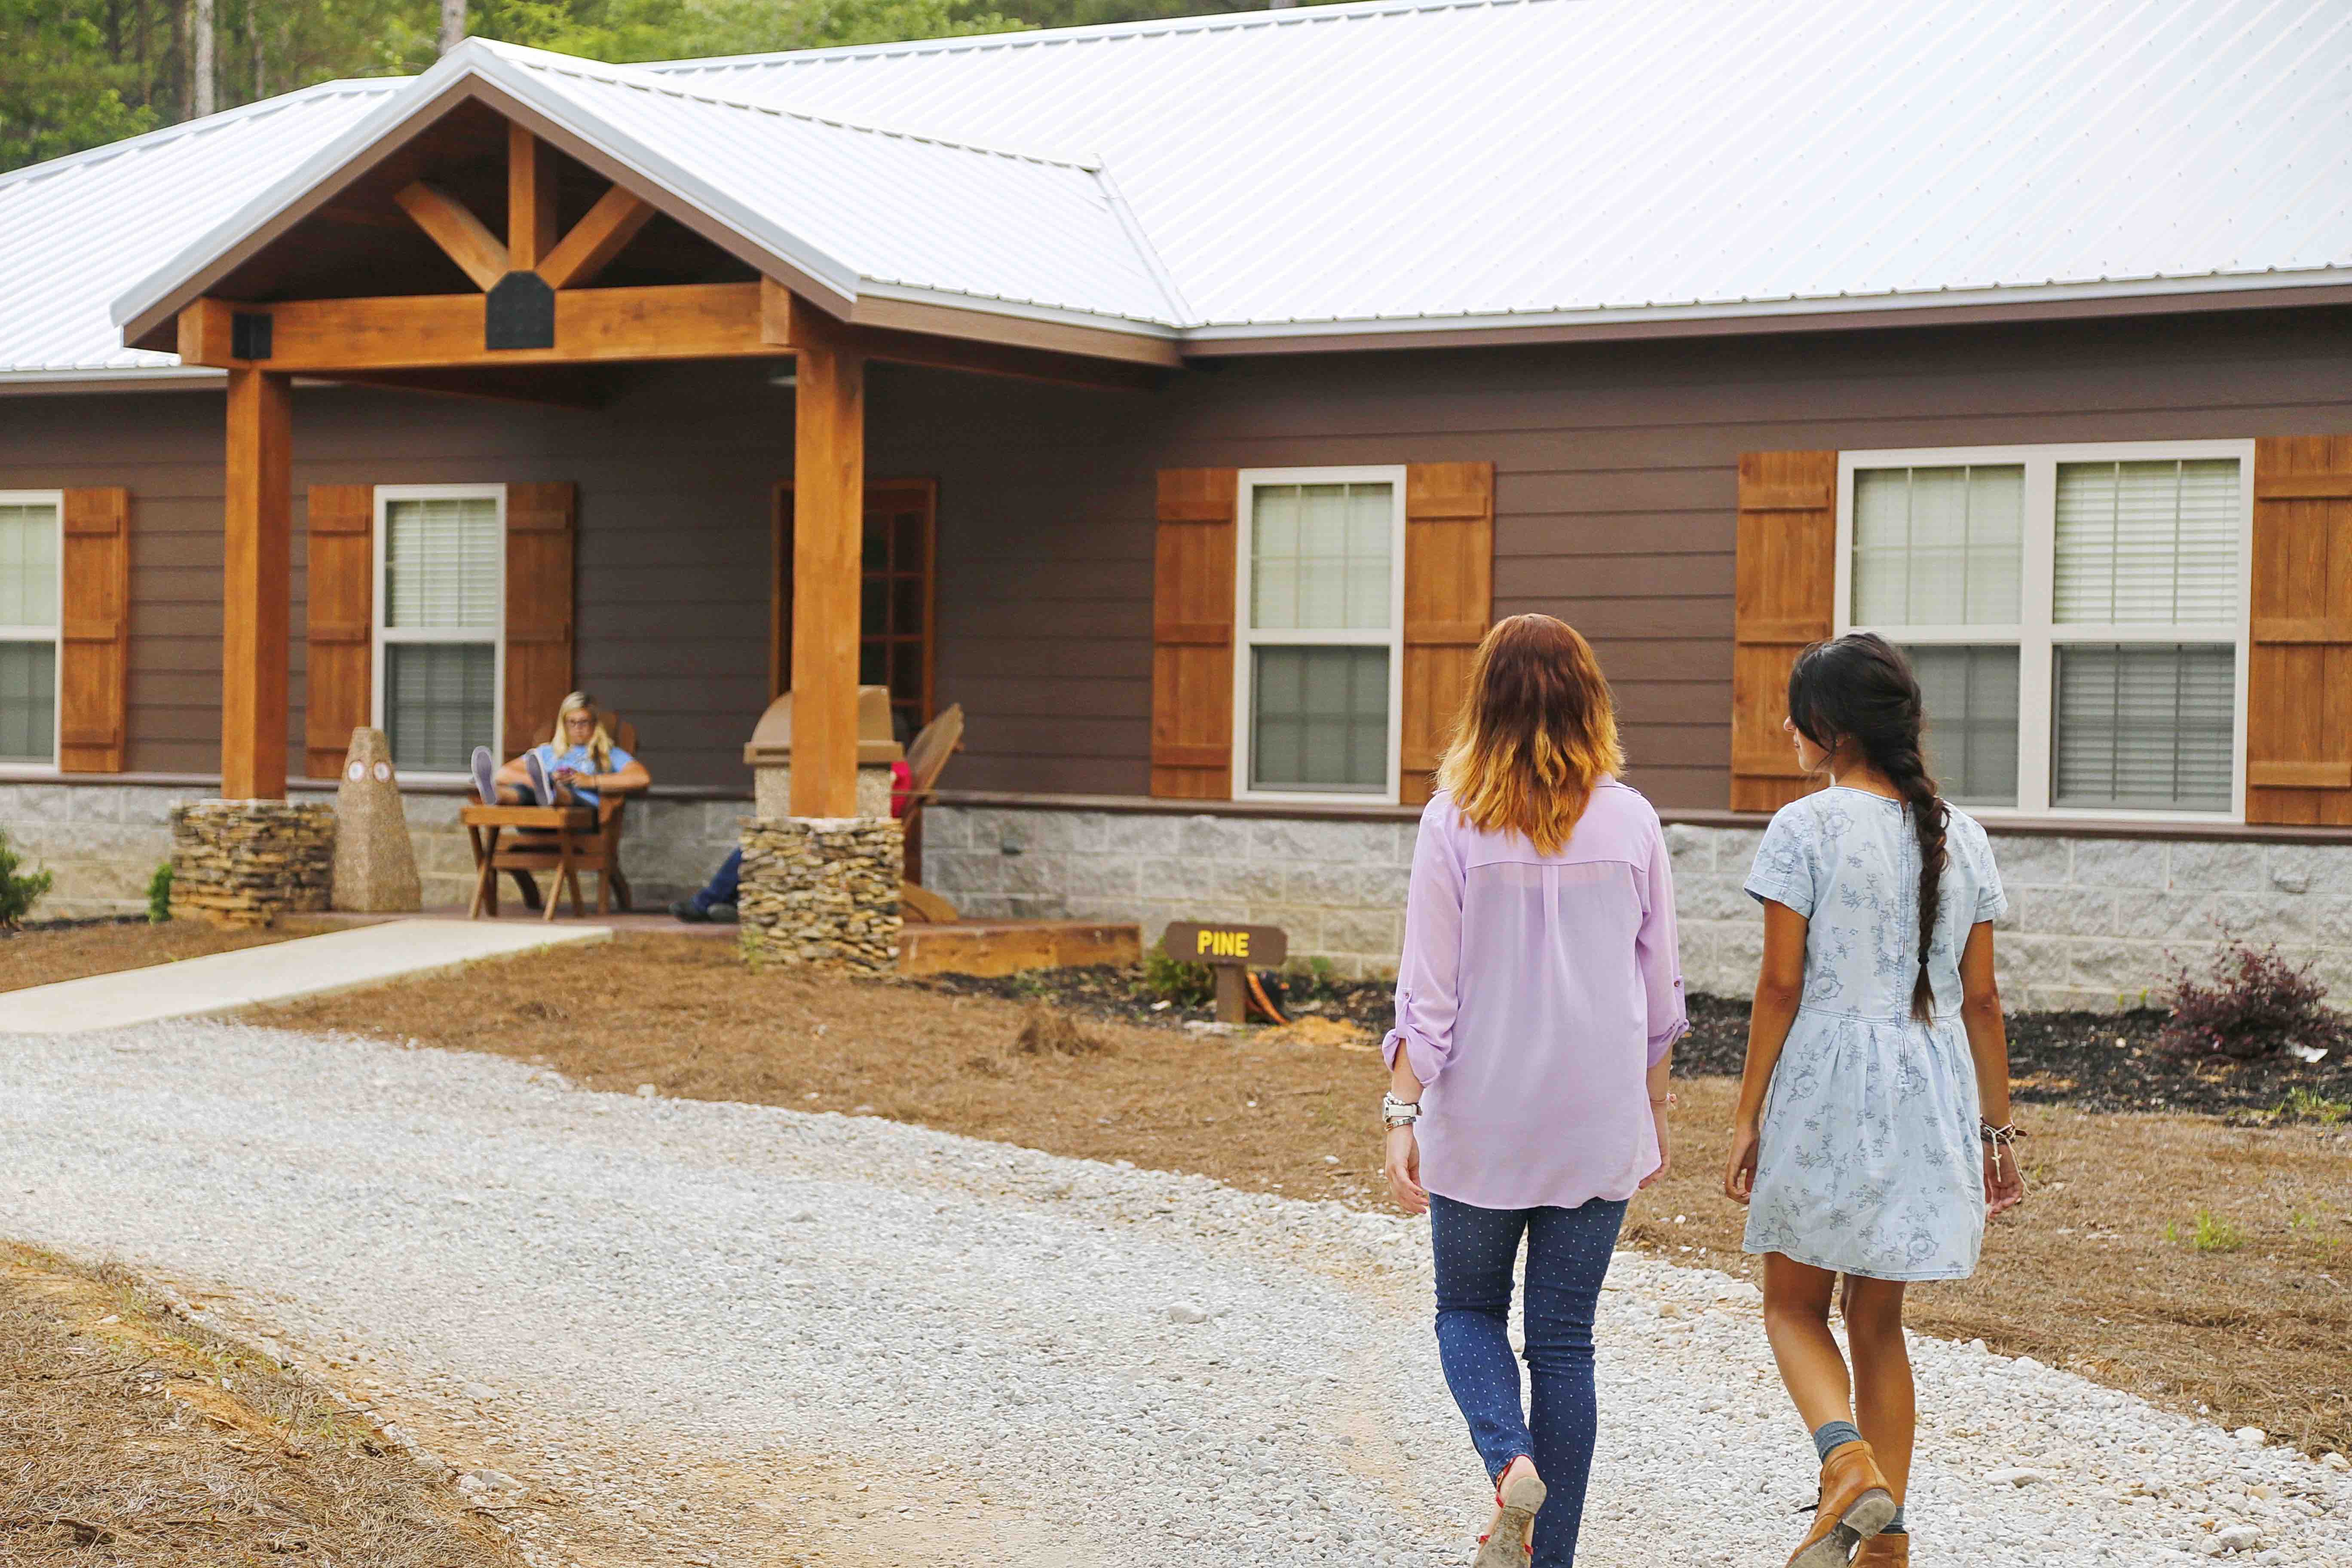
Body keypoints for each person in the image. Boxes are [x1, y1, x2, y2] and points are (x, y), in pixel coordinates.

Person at [1381, 614, 1685, 1568]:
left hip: (1482, 1117)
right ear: (1592, 700)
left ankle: (1508, 1461)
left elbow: (1427, 996)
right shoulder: (1634, 820)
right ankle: (1547, 1559)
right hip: (1597, 1120)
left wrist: (1401, 1113)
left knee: (1467, 1312)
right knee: (1565, 1344)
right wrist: (1655, 1112)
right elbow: (1662, 996)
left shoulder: (1451, 821)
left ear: (1485, 702)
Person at [1721, 633, 2025, 1568]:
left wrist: (1747, 1115)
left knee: (1790, 1305)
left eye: (1795, 714)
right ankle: (1885, 1543)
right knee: (1878, 1320)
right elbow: (1981, 1001)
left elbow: (1779, 989)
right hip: (1927, 1086)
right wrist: (1998, 1131)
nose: (1785, 729)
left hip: (1828, 1083)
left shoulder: (1804, 827)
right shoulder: (1961, 833)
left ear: (1831, 729)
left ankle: (1846, 1465)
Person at [470, 692, 649, 811]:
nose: (578, 728)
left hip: (581, 813)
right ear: (563, 724)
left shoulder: (607, 753)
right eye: (572, 722)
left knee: (556, 792)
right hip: (540, 816)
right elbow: (504, 773)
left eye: (584, 722)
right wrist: (542, 781)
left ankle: (551, 793)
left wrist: (591, 780)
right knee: (523, 790)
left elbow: (642, 778)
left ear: (595, 724)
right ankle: (495, 795)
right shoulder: (548, 752)